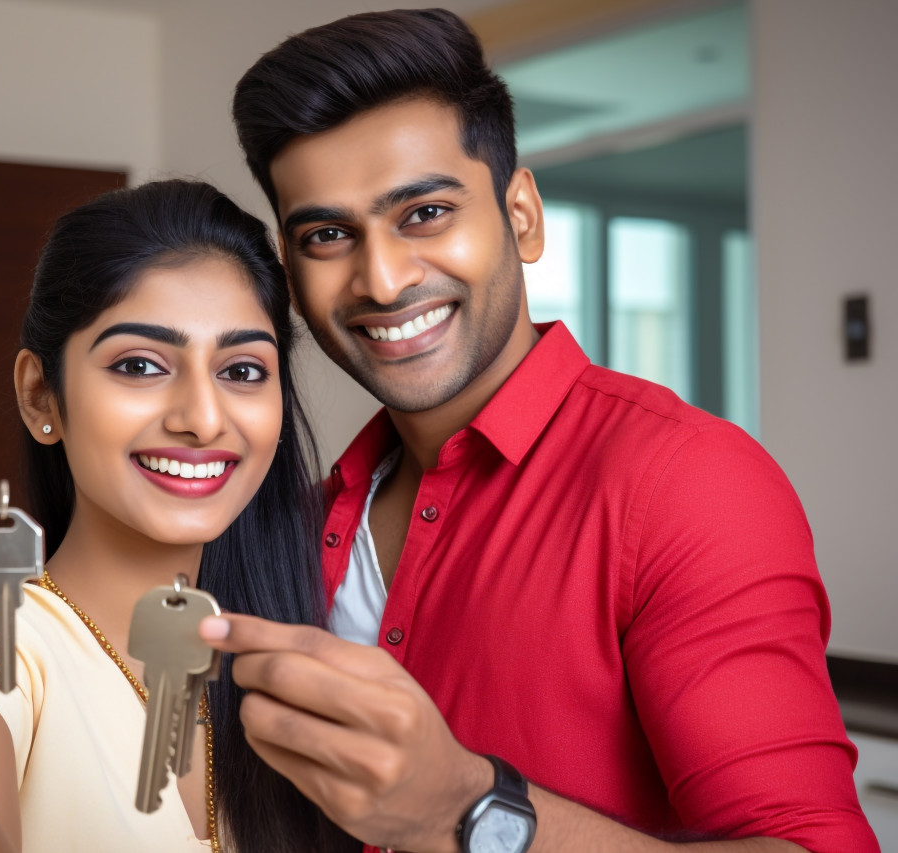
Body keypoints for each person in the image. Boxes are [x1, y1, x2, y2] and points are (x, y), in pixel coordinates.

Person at [196, 8, 880, 853]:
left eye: (425, 213)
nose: (382, 279)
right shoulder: (300, 518)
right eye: (329, 235)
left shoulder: (687, 482)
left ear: (521, 216)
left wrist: (469, 810)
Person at [0, 180, 355, 852]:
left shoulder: (294, 651)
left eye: (242, 371)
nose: (203, 418)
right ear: (40, 394)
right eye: (140, 365)